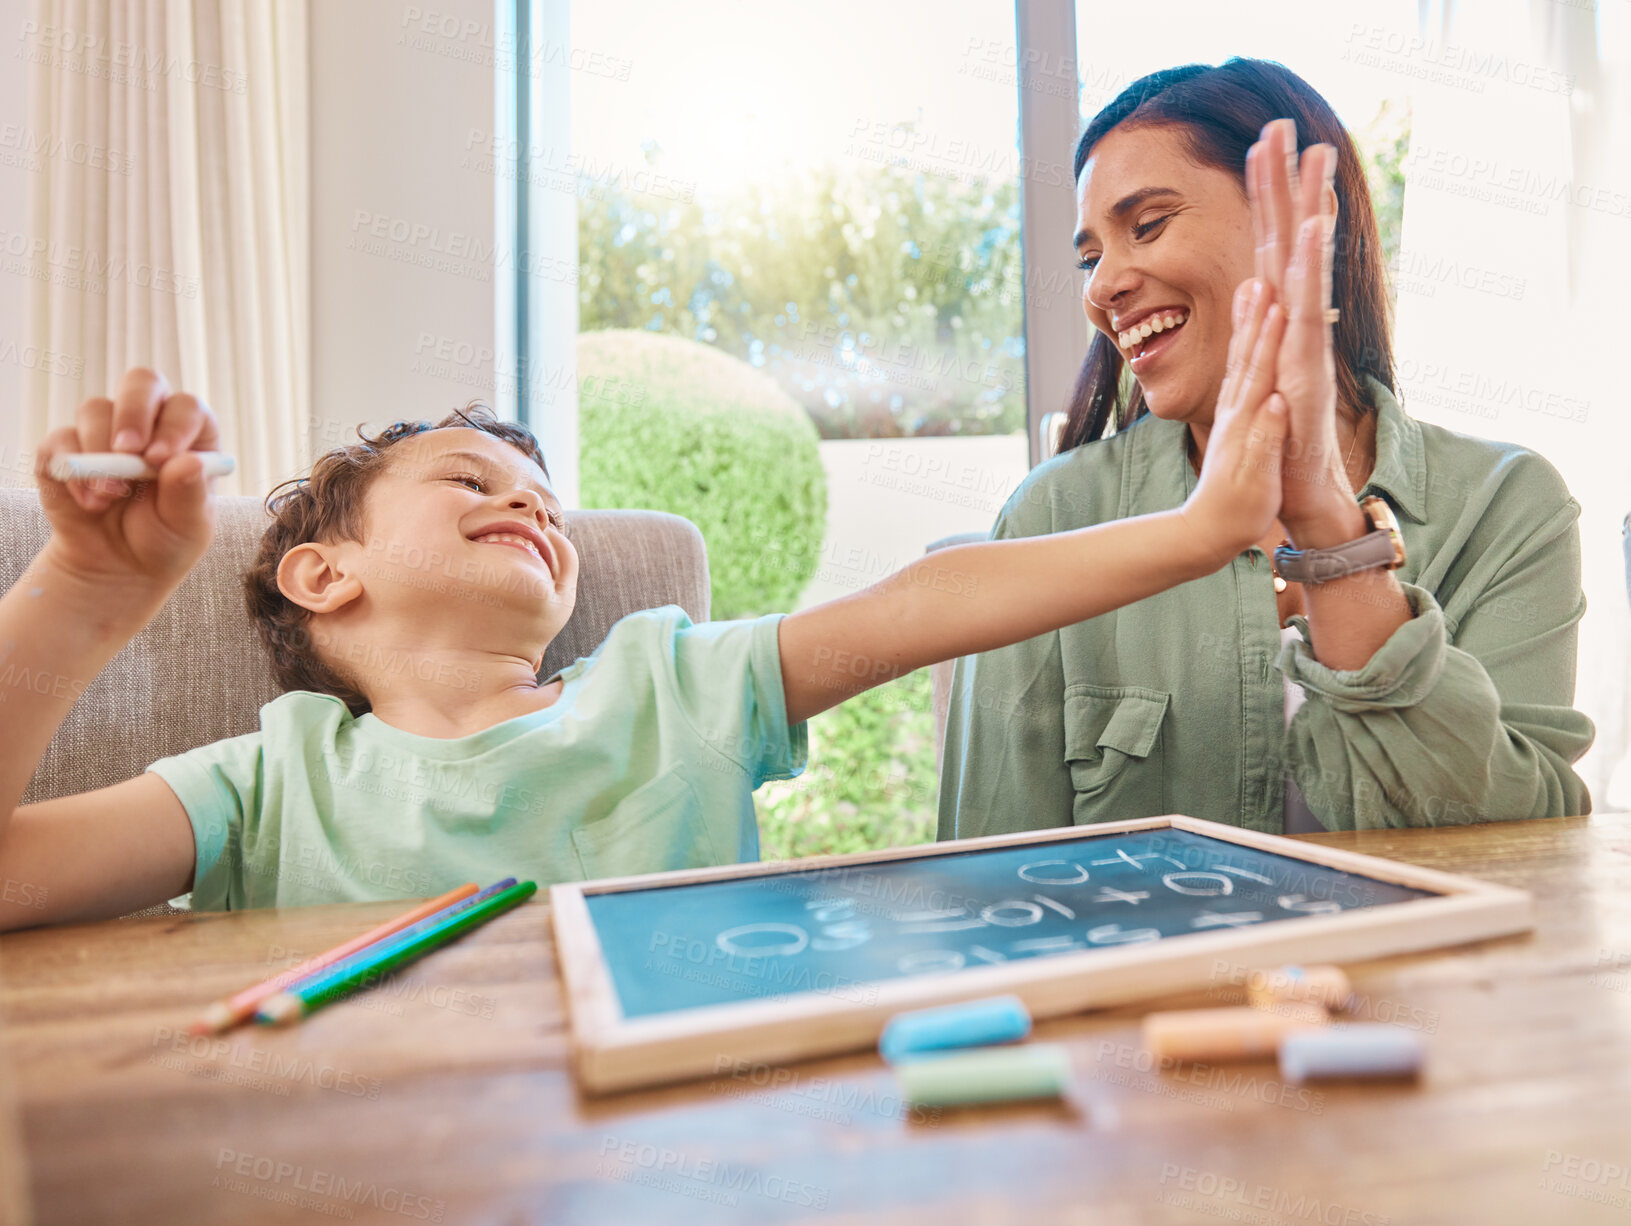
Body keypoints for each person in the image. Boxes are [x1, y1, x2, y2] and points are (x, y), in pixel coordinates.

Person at [0, 279, 1289, 929]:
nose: (536, 506)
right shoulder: (266, 778)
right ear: (325, 575)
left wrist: (1198, 532)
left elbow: (924, 597)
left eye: (545, 499)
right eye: (472, 479)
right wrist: (85, 587)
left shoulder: (669, 682)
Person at [939, 58, 1594, 839]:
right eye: (1090, 257)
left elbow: (1517, 844)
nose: (1100, 287)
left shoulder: (1505, 506)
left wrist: (1330, 534)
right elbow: (990, 878)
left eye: (1145, 225)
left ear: (1306, 226)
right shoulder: (1054, 515)